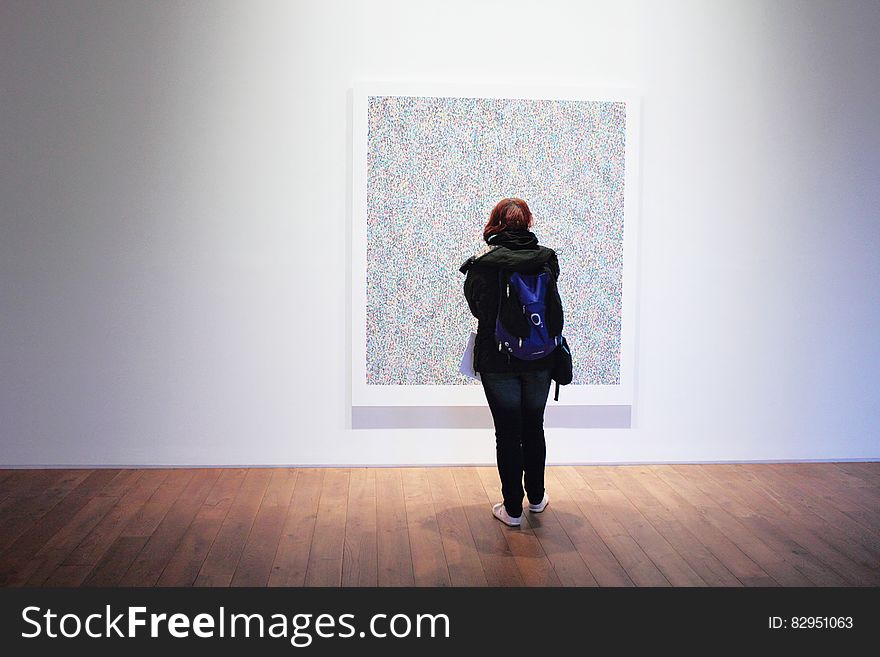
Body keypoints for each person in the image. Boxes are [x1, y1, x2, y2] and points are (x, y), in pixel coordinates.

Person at [459, 198, 562, 527]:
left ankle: (512, 510)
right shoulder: (547, 260)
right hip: (540, 357)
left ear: (495, 223)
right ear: (528, 222)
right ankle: (536, 498)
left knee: (507, 433)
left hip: (497, 359)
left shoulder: (482, 264)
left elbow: (478, 310)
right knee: (534, 427)